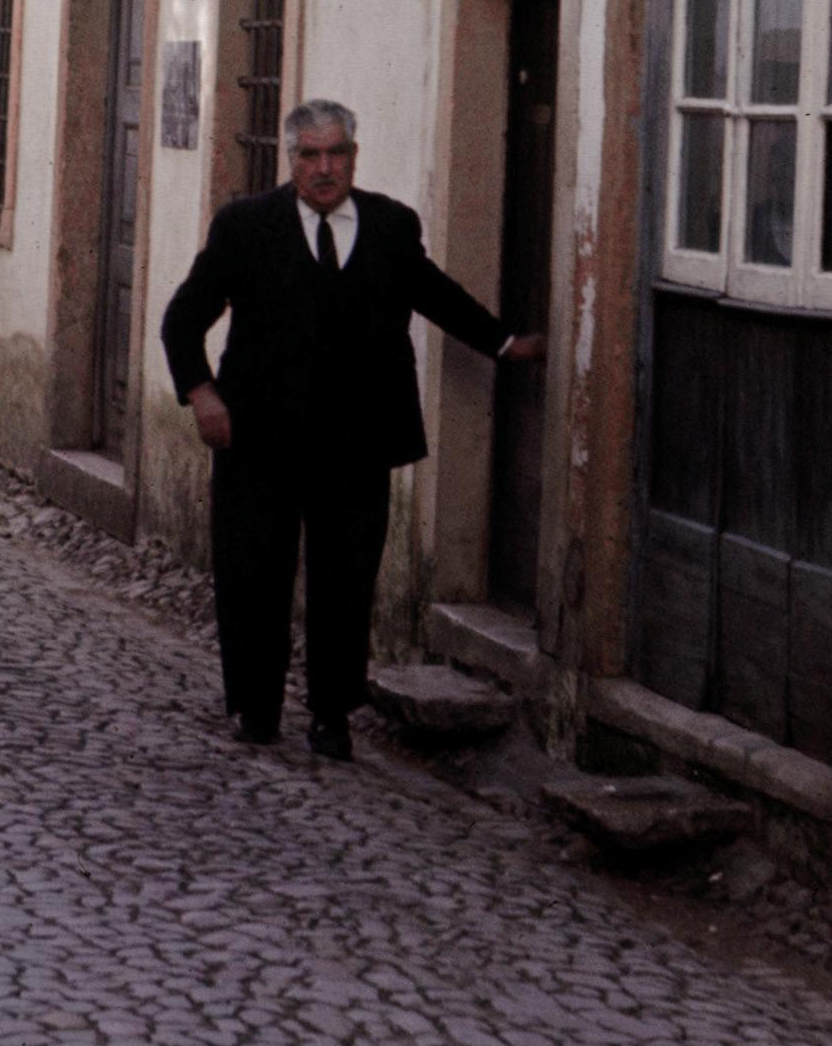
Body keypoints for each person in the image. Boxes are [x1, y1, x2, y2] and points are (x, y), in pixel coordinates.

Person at [161, 98, 544, 761]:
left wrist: (503, 342)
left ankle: (331, 714)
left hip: (356, 438)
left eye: (335, 153)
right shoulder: (245, 227)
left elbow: (434, 293)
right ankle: (255, 708)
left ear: (353, 156)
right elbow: (182, 318)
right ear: (290, 160)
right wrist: (202, 395)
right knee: (254, 572)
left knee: (345, 579)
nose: (323, 168)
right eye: (309, 155)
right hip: (259, 437)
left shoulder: (391, 226)